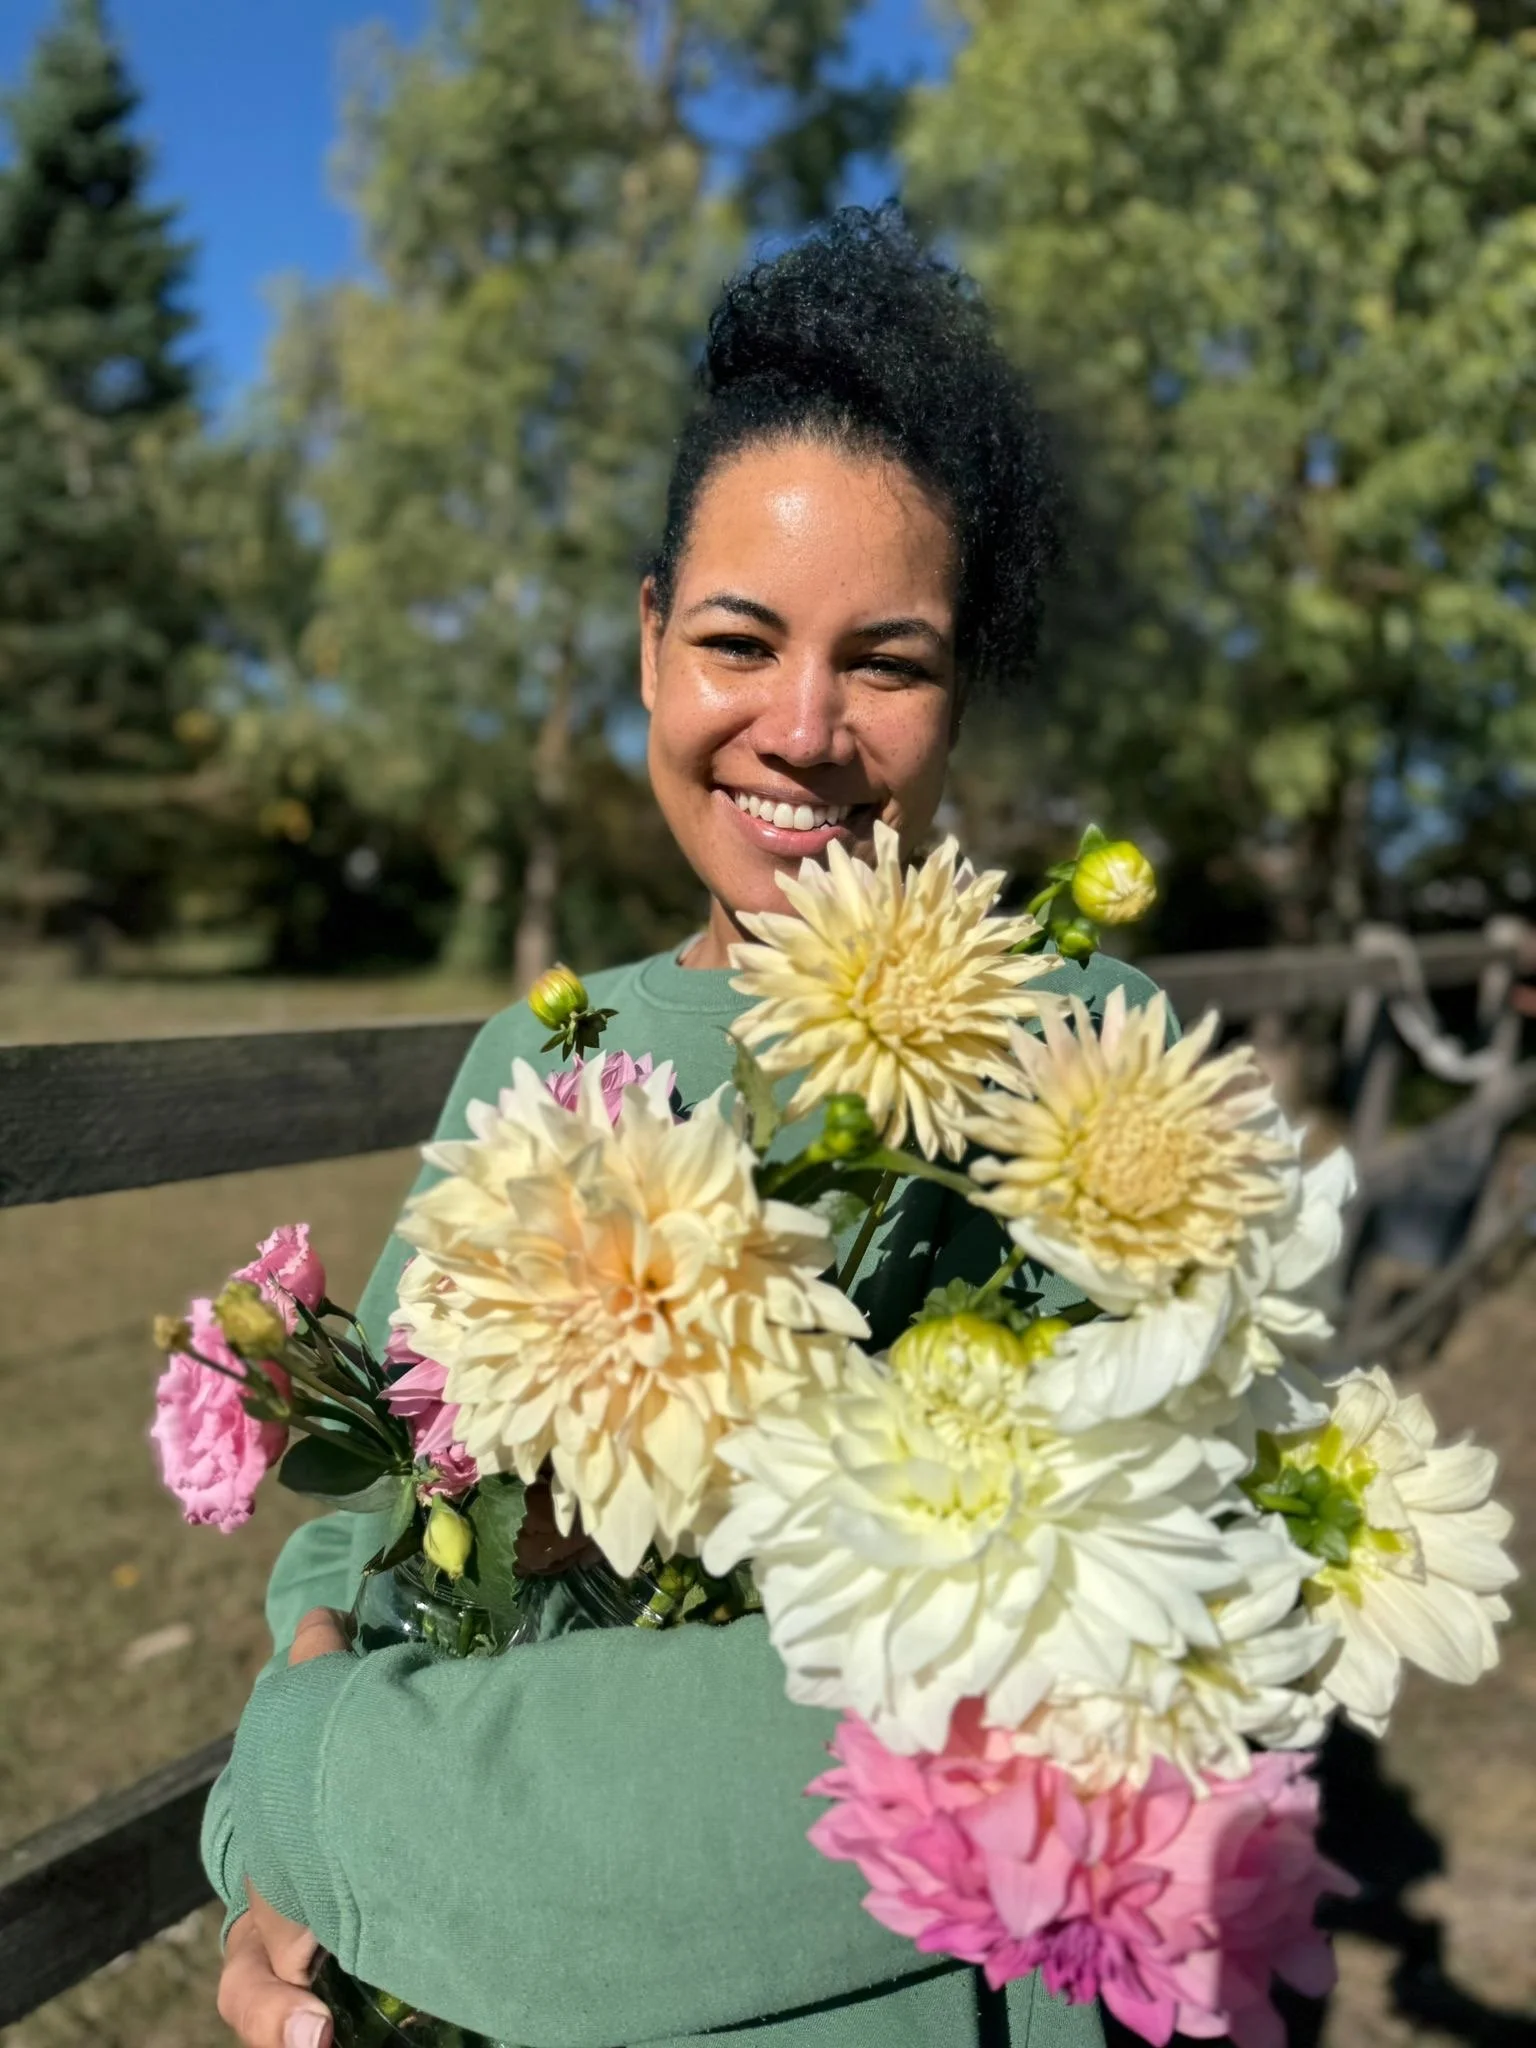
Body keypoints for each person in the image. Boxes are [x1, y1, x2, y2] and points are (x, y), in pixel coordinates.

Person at [209, 207, 1164, 2048]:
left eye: (888, 662)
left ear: (961, 696)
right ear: (651, 647)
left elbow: (1033, 1718)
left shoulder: (1088, 1063)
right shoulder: (530, 1065)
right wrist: (272, 1868)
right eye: (740, 638)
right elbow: (364, 1542)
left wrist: (329, 1791)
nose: (800, 730)